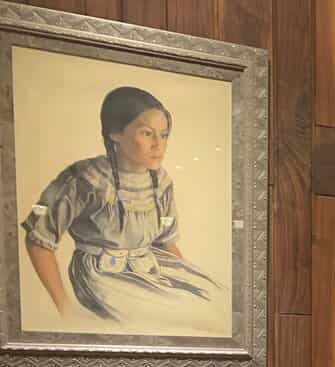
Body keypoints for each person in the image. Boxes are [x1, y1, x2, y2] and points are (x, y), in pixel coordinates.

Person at [22, 86, 220, 325]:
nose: (158, 144)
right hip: (104, 276)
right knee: (186, 316)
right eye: (147, 134)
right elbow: (38, 239)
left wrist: (188, 277)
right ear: (115, 132)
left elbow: (166, 242)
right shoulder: (85, 179)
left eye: (164, 135)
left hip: (149, 266)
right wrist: (65, 309)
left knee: (216, 300)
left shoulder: (162, 182)